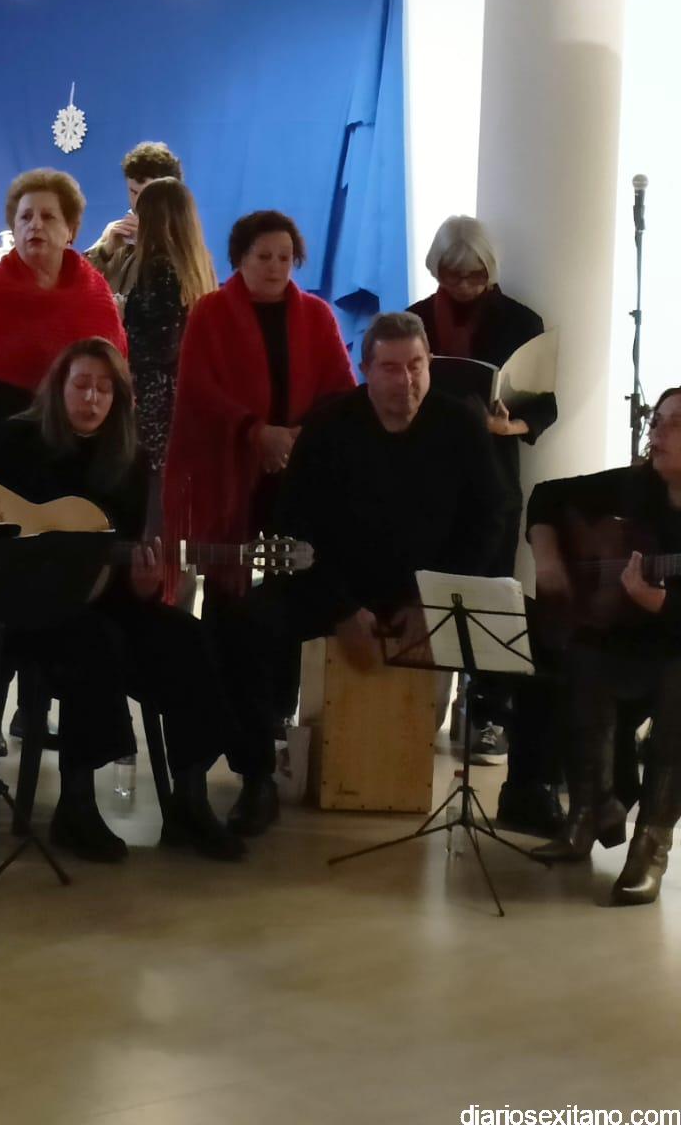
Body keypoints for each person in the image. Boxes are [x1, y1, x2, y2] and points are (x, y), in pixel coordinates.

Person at [0, 339, 244, 862]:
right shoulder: (18, 439)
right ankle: (76, 805)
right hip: (20, 608)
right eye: (81, 385)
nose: (91, 398)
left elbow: (122, 567)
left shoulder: (128, 460)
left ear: (118, 399)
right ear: (58, 389)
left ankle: (190, 803)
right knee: (95, 641)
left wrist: (144, 584)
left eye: (104, 389)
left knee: (185, 637)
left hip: (99, 596)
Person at [217, 312, 515, 837]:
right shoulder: (329, 425)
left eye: (417, 366)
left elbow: (491, 516)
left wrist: (432, 599)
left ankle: (530, 788)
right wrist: (340, 610)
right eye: (391, 368)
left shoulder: (461, 423)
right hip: (335, 586)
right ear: (365, 370)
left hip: (428, 591)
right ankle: (257, 777)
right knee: (243, 626)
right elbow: (294, 528)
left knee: (536, 638)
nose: (407, 381)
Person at [161, 209, 355, 810]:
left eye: (284, 257)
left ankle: (268, 744)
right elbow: (199, 391)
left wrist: (296, 438)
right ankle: (231, 741)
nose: (274, 267)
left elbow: (339, 391)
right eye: (262, 256)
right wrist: (254, 432)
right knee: (231, 610)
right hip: (231, 480)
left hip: (295, 482)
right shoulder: (211, 313)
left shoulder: (316, 315)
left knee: (284, 611)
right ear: (240, 258)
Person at [408, 215, 561, 831]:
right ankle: (420, 706)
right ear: (436, 268)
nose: (464, 285)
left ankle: (488, 712)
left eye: (474, 275)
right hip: (428, 473)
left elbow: (543, 404)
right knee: (428, 584)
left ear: (490, 270)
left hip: (493, 475)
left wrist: (509, 424)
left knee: (491, 589)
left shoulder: (521, 321)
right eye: (452, 274)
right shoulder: (416, 318)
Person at [527, 386, 681, 905]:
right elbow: (546, 495)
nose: (657, 432)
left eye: (675, 424)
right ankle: (589, 812)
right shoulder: (637, 485)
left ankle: (651, 845)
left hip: (676, 648)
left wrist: (658, 602)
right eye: (657, 420)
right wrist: (548, 559)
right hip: (627, 639)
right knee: (583, 657)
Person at [0, 168, 125, 452]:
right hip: (1, 451)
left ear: (71, 230)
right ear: (14, 229)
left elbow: (116, 378)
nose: (35, 225)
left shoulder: (94, 292)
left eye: (48, 217)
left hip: (79, 453)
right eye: (25, 217)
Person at [121, 178, 216, 475]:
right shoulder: (199, 268)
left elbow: (161, 346)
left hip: (154, 404)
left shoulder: (159, 269)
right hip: (184, 399)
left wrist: (122, 317)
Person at [84, 141, 185, 300]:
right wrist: (105, 251)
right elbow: (77, 280)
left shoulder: (184, 240)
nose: (138, 202)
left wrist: (151, 245)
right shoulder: (114, 231)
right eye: (133, 192)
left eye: (147, 194)